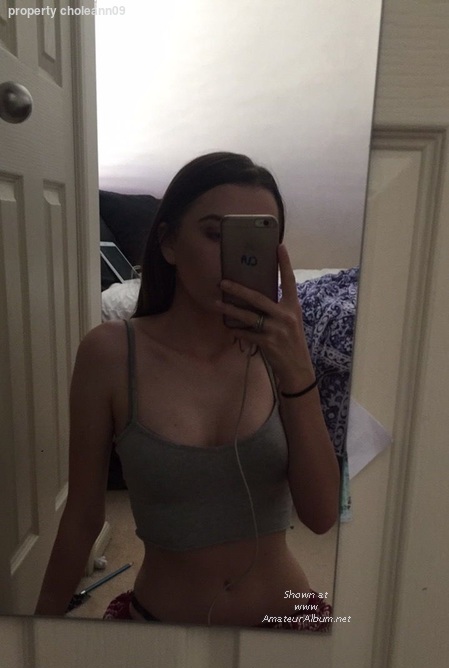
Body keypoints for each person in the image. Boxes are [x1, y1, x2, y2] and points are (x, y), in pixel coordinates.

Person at [35, 152, 340, 630]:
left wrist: (298, 371)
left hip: (289, 622)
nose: (235, 256)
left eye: (256, 239)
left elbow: (321, 517)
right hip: (162, 630)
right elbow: (82, 517)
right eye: (215, 234)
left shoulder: (282, 352)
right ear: (169, 243)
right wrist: (41, 635)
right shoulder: (110, 354)